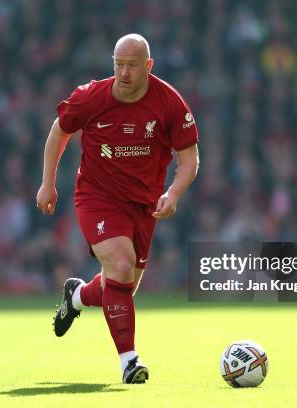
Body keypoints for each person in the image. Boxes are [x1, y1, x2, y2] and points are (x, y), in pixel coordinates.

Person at [36, 33, 199, 384]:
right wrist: (47, 182)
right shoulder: (92, 97)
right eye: (118, 64)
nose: (124, 73)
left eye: (133, 65)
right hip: (98, 196)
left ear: (148, 66)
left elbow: (190, 159)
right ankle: (129, 361)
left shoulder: (169, 102)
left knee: (121, 284)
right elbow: (59, 132)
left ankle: (77, 295)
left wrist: (173, 194)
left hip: (144, 206)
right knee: (121, 266)